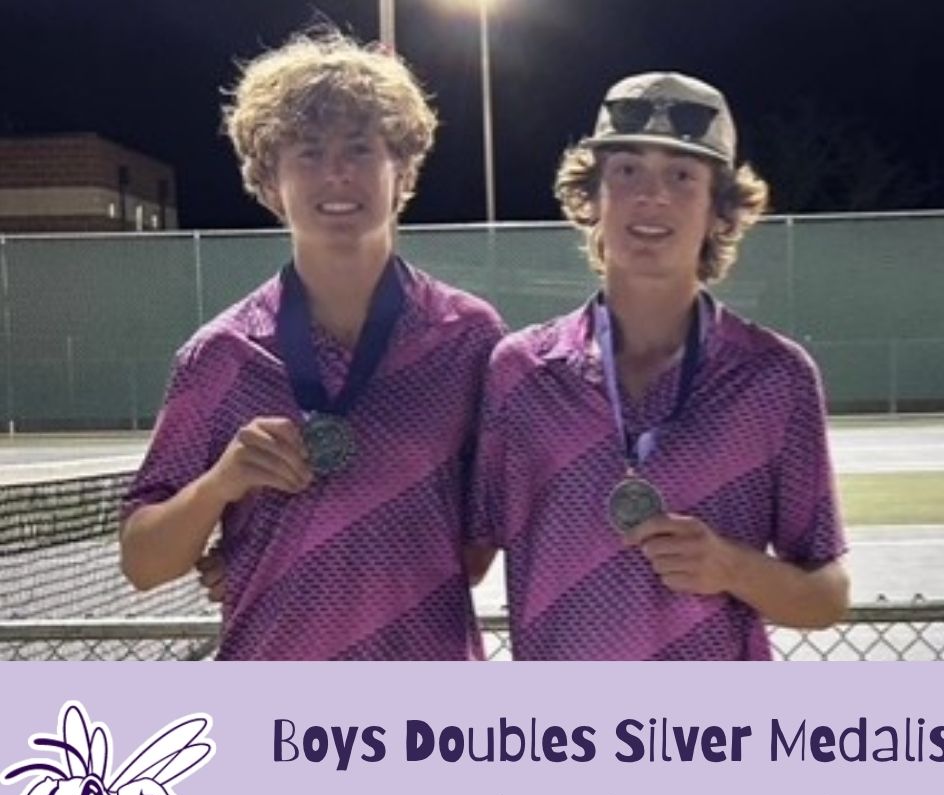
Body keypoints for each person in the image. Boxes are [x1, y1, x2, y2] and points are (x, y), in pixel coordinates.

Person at [121, 30, 501, 661]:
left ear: (401, 170)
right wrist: (219, 486)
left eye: (360, 149)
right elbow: (142, 562)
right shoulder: (220, 355)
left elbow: (480, 542)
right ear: (269, 181)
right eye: (308, 153)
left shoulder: (469, 339)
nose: (337, 174)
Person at [470, 72, 850, 661]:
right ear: (592, 198)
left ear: (719, 211)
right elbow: (462, 557)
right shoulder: (519, 371)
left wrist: (733, 567)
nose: (652, 195)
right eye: (627, 171)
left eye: (681, 176)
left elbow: (826, 598)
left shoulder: (776, 377)